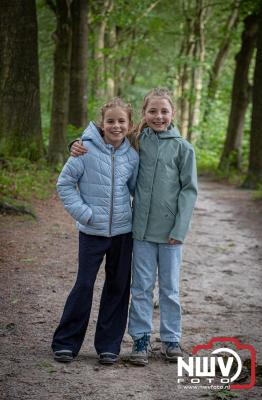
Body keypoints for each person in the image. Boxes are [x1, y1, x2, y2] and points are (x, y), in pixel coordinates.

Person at [70, 88, 198, 366]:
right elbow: (104, 139)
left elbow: (189, 191)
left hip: (170, 234)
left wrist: (180, 229)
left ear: (173, 114)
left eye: (164, 111)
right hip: (138, 231)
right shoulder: (136, 141)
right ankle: (141, 338)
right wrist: (76, 142)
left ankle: (171, 338)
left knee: (170, 288)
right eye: (152, 111)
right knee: (140, 286)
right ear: (143, 114)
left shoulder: (183, 148)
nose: (158, 116)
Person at [51, 98, 139, 365]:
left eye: (121, 121)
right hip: (92, 231)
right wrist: (85, 214)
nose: (116, 125)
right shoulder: (83, 151)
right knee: (84, 284)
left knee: (118, 286)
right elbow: (64, 184)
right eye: (110, 121)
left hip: (123, 233)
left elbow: (137, 190)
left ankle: (109, 345)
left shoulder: (132, 156)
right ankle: (66, 343)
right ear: (102, 123)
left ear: (129, 124)